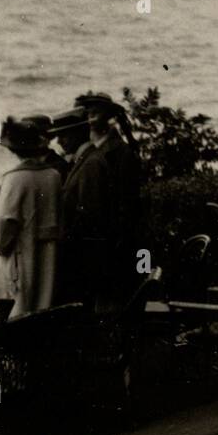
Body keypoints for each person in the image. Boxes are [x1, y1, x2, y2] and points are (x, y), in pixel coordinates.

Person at [0, 116, 62, 318]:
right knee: (42, 299)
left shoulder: (14, 178)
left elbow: (4, 220)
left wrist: (1, 244)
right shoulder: (53, 175)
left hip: (18, 252)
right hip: (48, 250)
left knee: (11, 304)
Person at [75, 92, 146, 312]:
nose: (89, 117)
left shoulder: (120, 153)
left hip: (112, 247)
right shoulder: (90, 150)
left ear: (107, 116)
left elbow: (126, 206)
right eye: (85, 112)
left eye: (94, 112)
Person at [50, 104, 109, 308]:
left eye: (63, 136)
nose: (59, 141)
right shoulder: (86, 160)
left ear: (77, 134)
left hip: (82, 258)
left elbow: (90, 215)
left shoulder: (91, 164)